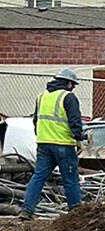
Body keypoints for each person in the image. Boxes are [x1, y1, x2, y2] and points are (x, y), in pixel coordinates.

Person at [20, 67, 86, 219]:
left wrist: (41, 136)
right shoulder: (68, 97)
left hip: (43, 144)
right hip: (63, 144)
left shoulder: (41, 96)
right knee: (70, 179)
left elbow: (36, 120)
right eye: (74, 85)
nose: (74, 88)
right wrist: (78, 139)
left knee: (38, 177)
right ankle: (75, 213)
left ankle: (27, 210)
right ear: (69, 83)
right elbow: (75, 121)